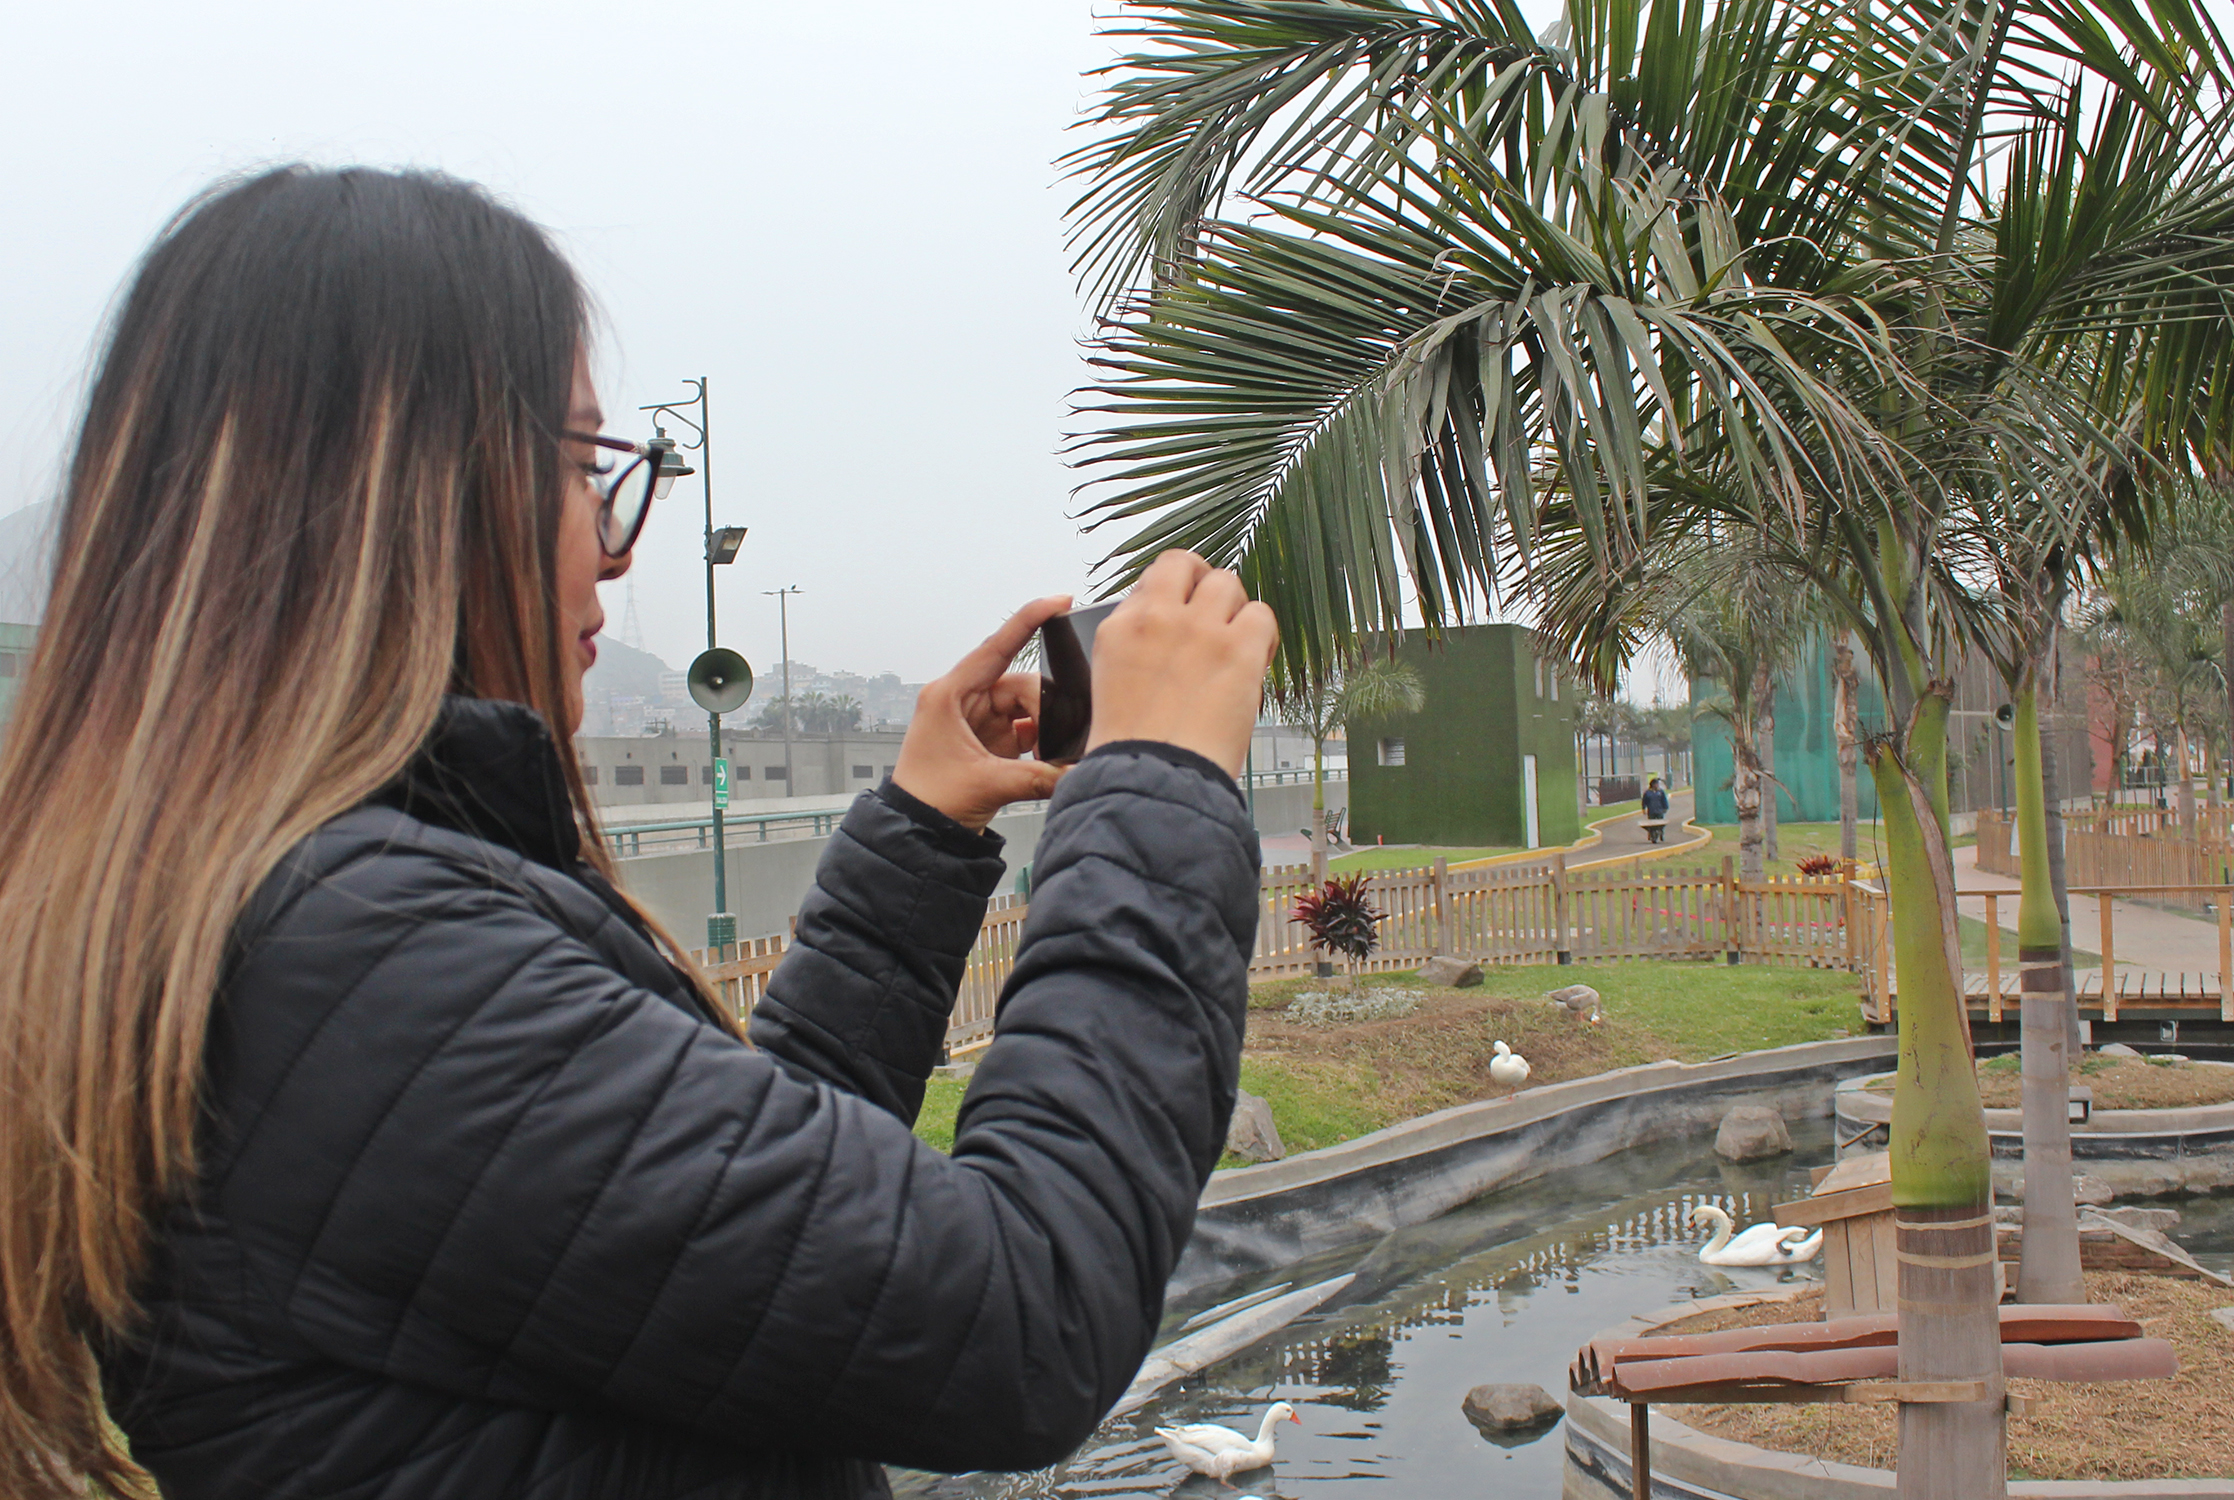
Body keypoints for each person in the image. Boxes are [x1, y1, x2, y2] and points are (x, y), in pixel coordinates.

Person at [0, 167, 1277, 1500]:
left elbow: (746, 1250)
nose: (613, 551)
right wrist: (1157, 785)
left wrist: (918, 831)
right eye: (577, 466)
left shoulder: (300, 938)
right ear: (400, 492)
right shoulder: (366, 966)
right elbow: (1025, 1310)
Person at [1641, 775, 1671, 843]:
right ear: (1652, 785)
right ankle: (1651, 835)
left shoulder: (1660, 792)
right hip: (1651, 811)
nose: (1657, 785)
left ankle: (1661, 833)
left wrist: (1665, 807)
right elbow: (1644, 801)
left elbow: (1664, 800)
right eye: (1656, 784)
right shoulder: (1648, 793)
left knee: (1660, 823)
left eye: (1657, 784)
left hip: (1660, 811)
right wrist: (1643, 808)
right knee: (1651, 824)